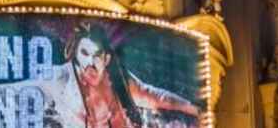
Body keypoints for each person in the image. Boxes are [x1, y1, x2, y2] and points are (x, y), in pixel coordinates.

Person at [43, 23, 200, 128]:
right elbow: (31, 89)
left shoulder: (117, 80)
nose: (90, 62)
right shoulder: (60, 78)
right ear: (76, 55)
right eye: (84, 53)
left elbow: (157, 98)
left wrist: (195, 110)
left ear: (106, 59)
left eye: (97, 55)